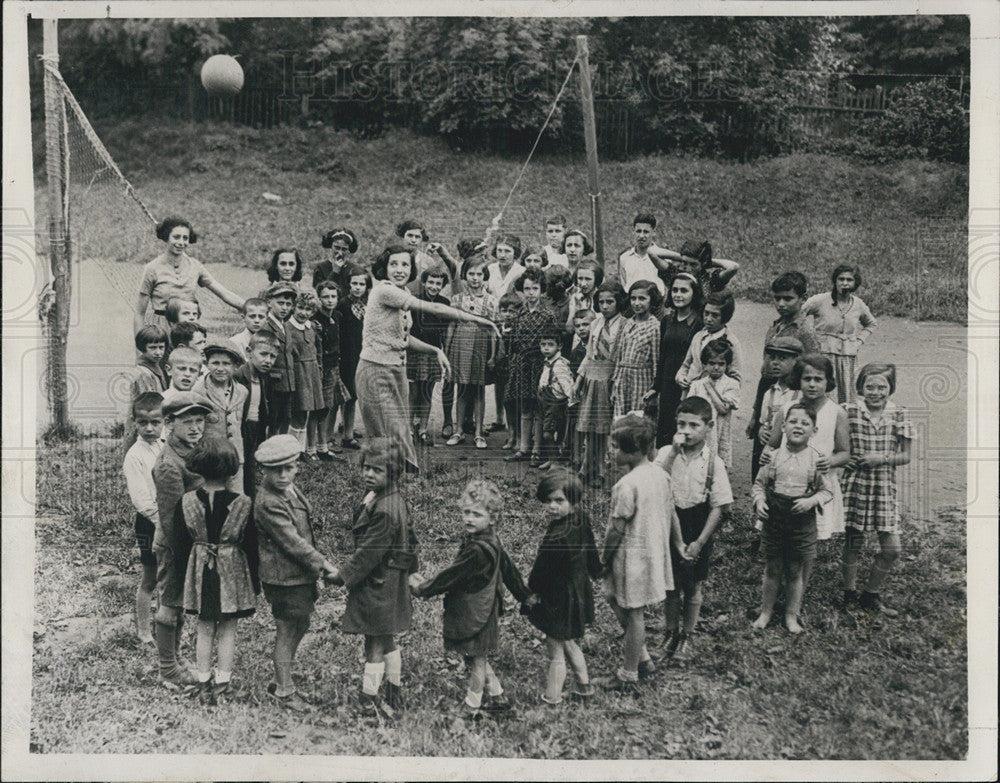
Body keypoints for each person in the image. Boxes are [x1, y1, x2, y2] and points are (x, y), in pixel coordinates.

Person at [356, 245, 500, 473]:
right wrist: (481, 320)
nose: (400, 269)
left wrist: (435, 351)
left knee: (400, 430)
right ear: (384, 268)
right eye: (394, 264)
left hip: (396, 369)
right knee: (381, 433)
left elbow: (403, 338)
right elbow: (432, 307)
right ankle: (375, 482)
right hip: (375, 369)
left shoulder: (402, 293)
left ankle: (402, 479)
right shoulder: (384, 291)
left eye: (405, 264)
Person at [411, 479, 534, 719]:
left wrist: (423, 588)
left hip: (478, 612)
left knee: (477, 659)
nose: (469, 518)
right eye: (466, 512)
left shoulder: (478, 550)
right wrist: (524, 595)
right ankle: (498, 697)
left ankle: (472, 706)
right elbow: (509, 571)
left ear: (492, 517)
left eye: (476, 514)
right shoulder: (489, 540)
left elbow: (451, 576)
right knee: (477, 656)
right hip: (485, 609)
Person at [325, 439, 419, 716]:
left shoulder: (386, 510)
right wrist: (412, 568)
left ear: (392, 473)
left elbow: (369, 553)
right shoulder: (385, 498)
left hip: (380, 583)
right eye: (366, 467)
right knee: (386, 638)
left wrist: (342, 576)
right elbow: (412, 538)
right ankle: (394, 691)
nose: (368, 474)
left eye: (377, 470)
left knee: (374, 643)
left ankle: (368, 699)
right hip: (388, 580)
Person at [599, 414, 684, 691]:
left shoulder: (626, 485)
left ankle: (629, 673)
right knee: (612, 596)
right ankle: (644, 657)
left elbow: (616, 529)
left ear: (632, 450)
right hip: (652, 555)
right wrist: (677, 544)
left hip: (632, 557)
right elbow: (671, 514)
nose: (610, 451)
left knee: (634, 612)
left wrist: (603, 557)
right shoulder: (661, 475)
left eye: (614, 446)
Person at [254, 434, 338, 713]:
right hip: (284, 577)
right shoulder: (268, 501)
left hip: (298, 574)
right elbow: (292, 542)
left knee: (300, 624)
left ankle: (282, 675)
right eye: (275, 469)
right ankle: (284, 689)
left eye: (288, 467)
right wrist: (324, 565)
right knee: (288, 629)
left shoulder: (289, 489)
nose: (283, 474)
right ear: (262, 469)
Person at [180, 437, 259, 704]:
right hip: (230, 572)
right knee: (227, 629)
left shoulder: (188, 500)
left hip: (201, 571)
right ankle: (223, 684)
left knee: (203, 629)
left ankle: (203, 683)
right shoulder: (243, 502)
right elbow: (251, 544)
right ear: (231, 468)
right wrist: (255, 582)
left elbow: (181, 542)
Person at [654, 397, 733, 661]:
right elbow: (654, 482)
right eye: (681, 425)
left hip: (697, 525)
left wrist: (700, 541)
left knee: (694, 585)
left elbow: (718, 507)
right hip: (670, 521)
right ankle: (670, 631)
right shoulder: (666, 453)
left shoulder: (713, 462)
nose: (686, 431)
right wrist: (673, 453)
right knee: (671, 585)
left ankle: (687, 634)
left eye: (694, 425)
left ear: (709, 427)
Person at [751, 404, 835, 634]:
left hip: (801, 520)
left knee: (795, 570)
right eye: (793, 422)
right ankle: (765, 612)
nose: (798, 426)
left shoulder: (817, 460)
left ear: (814, 431)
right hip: (775, 518)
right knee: (773, 567)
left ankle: (791, 615)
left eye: (805, 423)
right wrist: (759, 502)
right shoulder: (772, 456)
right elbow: (759, 485)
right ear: (784, 426)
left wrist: (811, 501)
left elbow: (827, 491)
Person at [151, 392, 213, 688]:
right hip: (177, 545)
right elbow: (171, 519)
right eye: (187, 422)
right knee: (170, 605)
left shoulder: (194, 451)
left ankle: (175, 658)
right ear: (168, 423)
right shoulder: (168, 464)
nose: (195, 428)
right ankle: (167, 668)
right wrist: (188, 552)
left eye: (199, 421)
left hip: (193, 541)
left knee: (178, 603)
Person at [840, 363, 913, 617]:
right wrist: (843, 458)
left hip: (883, 487)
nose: (875, 392)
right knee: (854, 541)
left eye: (882, 386)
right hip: (856, 485)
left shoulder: (899, 414)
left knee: (892, 549)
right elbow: (832, 442)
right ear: (861, 386)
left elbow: (905, 456)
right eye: (869, 386)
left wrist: (880, 458)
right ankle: (849, 593)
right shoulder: (848, 411)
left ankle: (871, 594)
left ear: (890, 388)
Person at [524, 471, 601, 705]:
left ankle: (552, 697)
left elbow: (541, 570)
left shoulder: (556, 536)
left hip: (557, 599)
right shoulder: (581, 518)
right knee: (569, 642)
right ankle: (584, 687)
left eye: (559, 501)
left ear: (574, 500)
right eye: (548, 501)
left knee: (555, 651)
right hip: (577, 592)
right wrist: (597, 571)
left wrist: (531, 593)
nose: (552, 506)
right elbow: (591, 550)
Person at [764, 354, 849, 551]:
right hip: (786, 483)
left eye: (818, 379)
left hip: (817, 486)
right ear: (798, 380)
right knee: (780, 537)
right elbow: (773, 444)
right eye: (807, 379)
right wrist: (767, 454)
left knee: (807, 541)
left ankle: (801, 577)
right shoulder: (786, 409)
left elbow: (845, 453)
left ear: (828, 382)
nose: (812, 384)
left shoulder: (836, 413)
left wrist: (831, 460)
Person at [748, 272, 821, 462]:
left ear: (803, 299)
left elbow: (814, 369)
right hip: (768, 392)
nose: (781, 304)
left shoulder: (805, 331)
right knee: (760, 448)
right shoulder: (775, 327)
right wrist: (755, 415)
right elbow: (765, 372)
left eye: (788, 299)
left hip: (791, 396)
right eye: (777, 298)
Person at [134, 217, 245, 334]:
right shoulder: (152, 268)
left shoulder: (195, 266)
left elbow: (223, 293)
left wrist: (249, 307)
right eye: (176, 237)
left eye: (185, 238)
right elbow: (139, 313)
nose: (181, 242)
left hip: (188, 330)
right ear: (166, 237)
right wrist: (140, 348)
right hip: (161, 332)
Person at [122, 391, 165, 645]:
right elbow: (141, 499)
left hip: (170, 521)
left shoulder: (166, 446)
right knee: (150, 578)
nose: (149, 428)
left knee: (168, 576)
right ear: (135, 422)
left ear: (165, 421)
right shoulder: (134, 456)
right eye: (143, 423)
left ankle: (165, 622)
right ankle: (143, 630)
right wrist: (160, 522)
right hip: (150, 524)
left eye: (155, 422)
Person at [443, 256, 498, 449]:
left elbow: (492, 330)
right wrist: (447, 351)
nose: (475, 278)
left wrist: (492, 355)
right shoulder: (457, 299)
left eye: (479, 274)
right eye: (471, 274)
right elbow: (451, 325)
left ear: (485, 276)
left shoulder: (491, 301)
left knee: (478, 391)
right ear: (465, 275)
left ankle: (478, 433)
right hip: (460, 345)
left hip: (481, 346)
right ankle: (458, 431)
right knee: (462, 390)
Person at [504, 268, 558, 464]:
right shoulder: (518, 314)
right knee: (524, 406)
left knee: (539, 408)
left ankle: (537, 450)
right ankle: (523, 448)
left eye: (535, 288)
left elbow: (552, 342)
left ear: (542, 290)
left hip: (540, 366)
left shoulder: (548, 315)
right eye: (527, 289)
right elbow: (512, 342)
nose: (531, 293)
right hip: (522, 366)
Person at [802, 265, 877, 404]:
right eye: (841, 279)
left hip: (847, 357)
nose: (844, 283)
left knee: (847, 392)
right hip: (823, 355)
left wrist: (859, 341)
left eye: (849, 280)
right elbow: (799, 315)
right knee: (824, 389)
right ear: (835, 281)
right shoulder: (820, 300)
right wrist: (809, 336)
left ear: (855, 284)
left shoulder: (858, 304)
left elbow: (871, 323)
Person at [574, 281, 625, 487]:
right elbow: (588, 354)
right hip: (592, 376)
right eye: (601, 302)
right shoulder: (595, 323)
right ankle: (587, 466)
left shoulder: (624, 324)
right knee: (590, 424)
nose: (605, 306)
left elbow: (621, 356)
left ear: (619, 302)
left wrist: (616, 382)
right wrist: (579, 379)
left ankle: (602, 470)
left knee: (603, 426)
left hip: (610, 376)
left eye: (609, 302)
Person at [646, 272, 704, 447]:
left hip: (686, 384)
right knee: (666, 430)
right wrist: (656, 387)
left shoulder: (699, 322)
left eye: (684, 291)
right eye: (675, 290)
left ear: (694, 294)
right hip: (667, 382)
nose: (678, 295)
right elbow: (662, 354)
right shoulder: (667, 320)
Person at [193, 340, 249, 492]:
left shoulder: (242, 391)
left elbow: (239, 424)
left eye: (226, 364)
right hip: (209, 458)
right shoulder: (198, 392)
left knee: (235, 498)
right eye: (215, 363)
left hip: (235, 456)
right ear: (207, 364)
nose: (220, 368)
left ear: (235, 366)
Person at [750, 336, 804, 483]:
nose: (775, 362)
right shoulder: (770, 392)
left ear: (796, 361)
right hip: (770, 453)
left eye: (782, 358)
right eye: (772, 357)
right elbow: (763, 420)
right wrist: (761, 430)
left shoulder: (801, 393)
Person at [407, 267, 451, 446]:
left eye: (438, 283)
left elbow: (446, 331)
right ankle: (409, 430)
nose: (434, 286)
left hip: (434, 352)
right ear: (424, 282)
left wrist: (444, 352)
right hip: (414, 351)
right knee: (413, 391)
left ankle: (423, 429)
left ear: (442, 285)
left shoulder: (444, 302)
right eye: (431, 282)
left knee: (427, 391)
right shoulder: (415, 301)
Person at [234, 331, 278, 497]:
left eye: (272, 357)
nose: (268, 360)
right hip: (240, 429)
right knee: (240, 467)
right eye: (263, 354)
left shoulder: (264, 377)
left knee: (250, 468)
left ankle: (250, 501)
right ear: (249, 352)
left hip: (255, 428)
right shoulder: (238, 376)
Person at [686, 340, 741, 469]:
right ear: (705, 364)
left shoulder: (731, 384)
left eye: (721, 364)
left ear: (727, 365)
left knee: (717, 468)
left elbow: (722, 409)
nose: (716, 367)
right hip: (699, 433)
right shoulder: (696, 385)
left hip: (719, 433)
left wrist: (709, 387)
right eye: (712, 363)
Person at [611, 280, 661, 420]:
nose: (636, 303)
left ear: (652, 300)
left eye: (642, 298)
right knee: (620, 422)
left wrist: (654, 390)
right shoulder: (628, 323)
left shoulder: (655, 327)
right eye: (633, 298)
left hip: (642, 381)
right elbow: (620, 356)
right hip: (623, 380)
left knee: (637, 423)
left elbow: (657, 361)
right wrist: (616, 382)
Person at [312, 280, 350, 460]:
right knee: (319, 408)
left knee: (329, 406)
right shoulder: (315, 320)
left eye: (333, 296)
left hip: (334, 366)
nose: (330, 300)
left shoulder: (338, 316)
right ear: (319, 298)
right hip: (322, 368)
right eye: (325, 297)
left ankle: (323, 444)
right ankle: (315, 447)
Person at [676, 291, 743, 388]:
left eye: (715, 315)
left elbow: (736, 378)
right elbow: (686, 364)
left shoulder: (731, 342)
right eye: (706, 313)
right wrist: (681, 377)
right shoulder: (698, 336)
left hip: (714, 397)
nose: (708, 319)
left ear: (725, 317)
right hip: (690, 395)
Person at [286, 291, 325, 458]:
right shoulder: (288, 327)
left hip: (312, 374)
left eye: (308, 309)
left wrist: (320, 368)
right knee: (297, 413)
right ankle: (292, 449)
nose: (303, 312)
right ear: (294, 307)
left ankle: (301, 450)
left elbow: (318, 350)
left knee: (306, 413)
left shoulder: (312, 327)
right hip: (298, 374)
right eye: (300, 308)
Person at [123, 324, 169, 452]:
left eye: (161, 347)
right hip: (145, 425)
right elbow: (148, 405)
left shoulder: (155, 367)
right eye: (153, 348)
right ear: (143, 348)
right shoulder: (144, 373)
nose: (158, 352)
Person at [337, 264, 369, 448]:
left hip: (361, 355)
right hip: (346, 356)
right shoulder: (342, 304)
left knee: (354, 396)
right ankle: (345, 434)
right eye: (354, 283)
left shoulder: (369, 304)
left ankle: (348, 431)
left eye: (361, 284)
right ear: (349, 285)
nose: (357, 287)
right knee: (345, 396)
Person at [536, 327, 575, 470]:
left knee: (548, 434)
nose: (546, 348)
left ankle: (556, 462)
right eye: (543, 344)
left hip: (556, 403)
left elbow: (567, 385)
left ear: (559, 346)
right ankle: (552, 459)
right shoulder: (548, 360)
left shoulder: (559, 365)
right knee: (547, 432)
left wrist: (571, 401)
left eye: (550, 345)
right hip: (545, 401)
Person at [262, 282, 298, 436]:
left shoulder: (285, 325)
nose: (284, 308)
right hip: (273, 384)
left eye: (288, 304)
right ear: (269, 302)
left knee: (285, 418)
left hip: (288, 383)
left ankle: (281, 452)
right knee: (272, 420)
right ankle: (269, 454)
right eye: (280, 303)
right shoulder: (266, 326)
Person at [492, 292, 522, 441]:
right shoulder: (498, 326)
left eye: (512, 311)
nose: (508, 315)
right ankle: (511, 435)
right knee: (505, 400)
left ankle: (517, 435)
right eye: (504, 311)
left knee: (514, 402)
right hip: (501, 368)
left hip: (514, 369)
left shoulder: (519, 328)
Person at [616, 213, 668, 297]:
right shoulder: (624, 258)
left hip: (656, 305)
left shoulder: (663, 257)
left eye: (646, 232)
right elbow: (624, 284)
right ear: (633, 231)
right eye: (638, 231)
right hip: (632, 304)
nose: (641, 236)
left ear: (653, 232)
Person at [565, 261, 602, 335]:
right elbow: (569, 329)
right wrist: (576, 308)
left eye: (588, 279)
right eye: (580, 278)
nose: (583, 284)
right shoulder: (575, 298)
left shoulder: (602, 298)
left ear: (596, 279)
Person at [485, 234, 525, 300]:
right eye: (499, 250)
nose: (502, 255)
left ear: (515, 253)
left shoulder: (521, 272)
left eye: (507, 251)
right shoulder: (490, 269)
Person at [230, 298, 269, 362]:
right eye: (252, 316)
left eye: (261, 317)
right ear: (243, 318)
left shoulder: (270, 340)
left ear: (267, 320)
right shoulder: (235, 342)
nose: (257, 321)